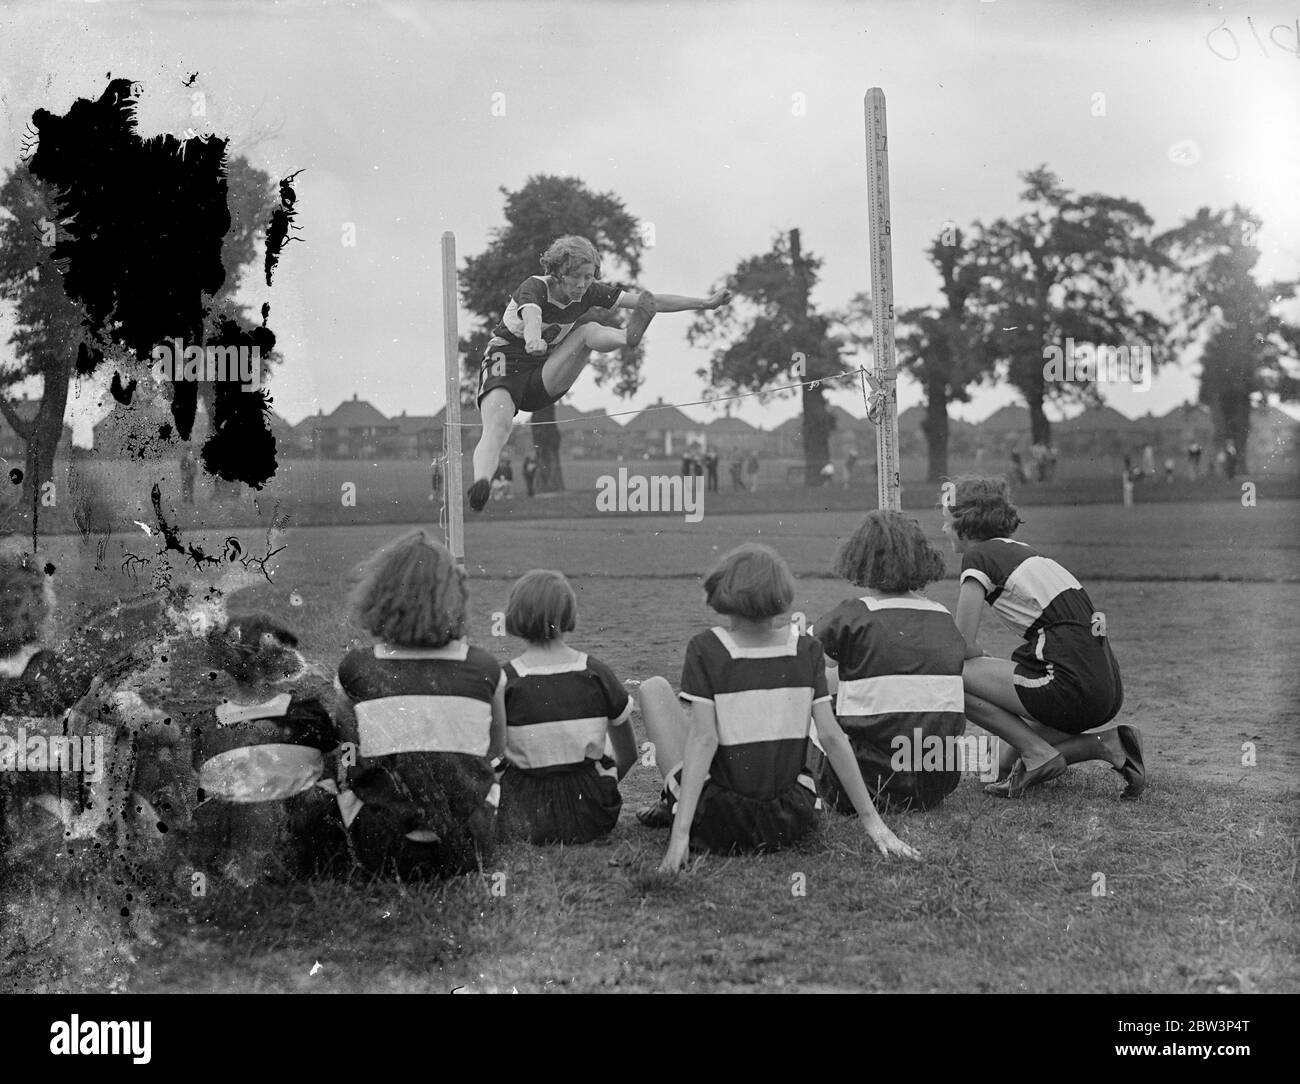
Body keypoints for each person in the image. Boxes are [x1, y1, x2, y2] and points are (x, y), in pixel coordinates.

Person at [636, 543, 921, 871]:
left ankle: (671, 804)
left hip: (719, 821)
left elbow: (704, 740)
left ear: (723, 593)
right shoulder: (808, 649)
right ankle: (672, 800)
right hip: (790, 819)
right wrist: (876, 825)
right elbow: (832, 738)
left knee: (654, 689)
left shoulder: (706, 648)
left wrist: (680, 835)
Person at [468, 235, 731, 511]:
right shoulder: (535, 287)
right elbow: (532, 315)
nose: (582, 285)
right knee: (499, 426)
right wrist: (533, 338)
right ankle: (482, 483)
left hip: (545, 374)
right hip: (505, 362)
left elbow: (648, 301)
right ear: (557, 273)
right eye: (576, 278)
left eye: (589, 277)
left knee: (588, 330)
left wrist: (705, 303)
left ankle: (627, 336)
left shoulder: (589, 291)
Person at [943, 477, 1144, 799]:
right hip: (1103, 688)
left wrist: (977, 653)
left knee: (947, 673)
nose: (944, 529)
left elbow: (958, 648)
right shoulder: (1027, 553)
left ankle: (1038, 753)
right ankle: (1110, 745)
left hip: (1069, 687)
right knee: (997, 767)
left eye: (947, 520)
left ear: (965, 523)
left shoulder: (978, 556)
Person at [335, 530, 506, 878]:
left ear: (380, 595)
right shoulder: (485, 668)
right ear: (454, 597)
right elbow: (496, 748)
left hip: (382, 850)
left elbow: (347, 749)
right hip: (468, 847)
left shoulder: (355, 668)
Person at [813, 511, 968, 812]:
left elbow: (801, 668)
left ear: (858, 558)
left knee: (811, 694)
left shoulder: (850, 615)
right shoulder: (942, 614)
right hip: (937, 783)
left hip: (868, 784)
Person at [188, 612, 347, 885]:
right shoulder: (306, 715)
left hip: (231, 831)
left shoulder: (206, 724)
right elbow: (338, 763)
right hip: (301, 847)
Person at [497, 570, 637, 844]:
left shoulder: (506, 680)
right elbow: (629, 754)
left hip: (525, 817)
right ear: (568, 614)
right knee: (604, 739)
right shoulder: (596, 672)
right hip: (591, 815)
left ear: (515, 615)